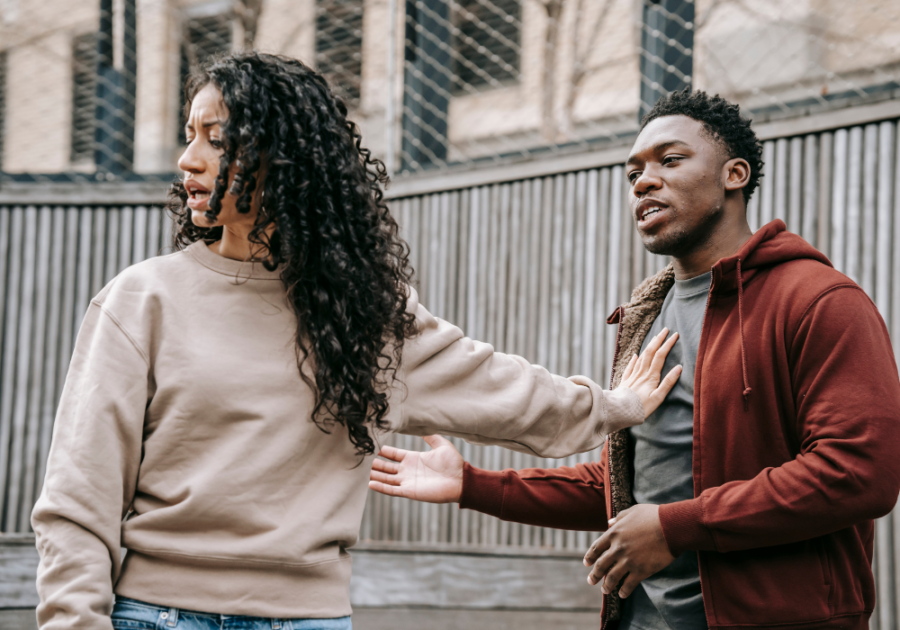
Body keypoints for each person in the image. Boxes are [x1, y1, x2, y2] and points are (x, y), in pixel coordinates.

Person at [30, 53, 682, 630]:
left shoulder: (364, 316)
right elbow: (77, 500)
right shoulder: (142, 300)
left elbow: (501, 388)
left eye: (215, 139)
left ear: (282, 156)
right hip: (158, 616)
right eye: (188, 136)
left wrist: (614, 404)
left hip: (307, 620)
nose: (187, 159)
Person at [368, 89, 900, 630]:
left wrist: (676, 527)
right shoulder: (648, 316)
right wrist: (472, 485)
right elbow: (625, 485)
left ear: (734, 174)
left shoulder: (818, 301)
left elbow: (860, 472)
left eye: (670, 160)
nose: (644, 181)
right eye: (633, 174)